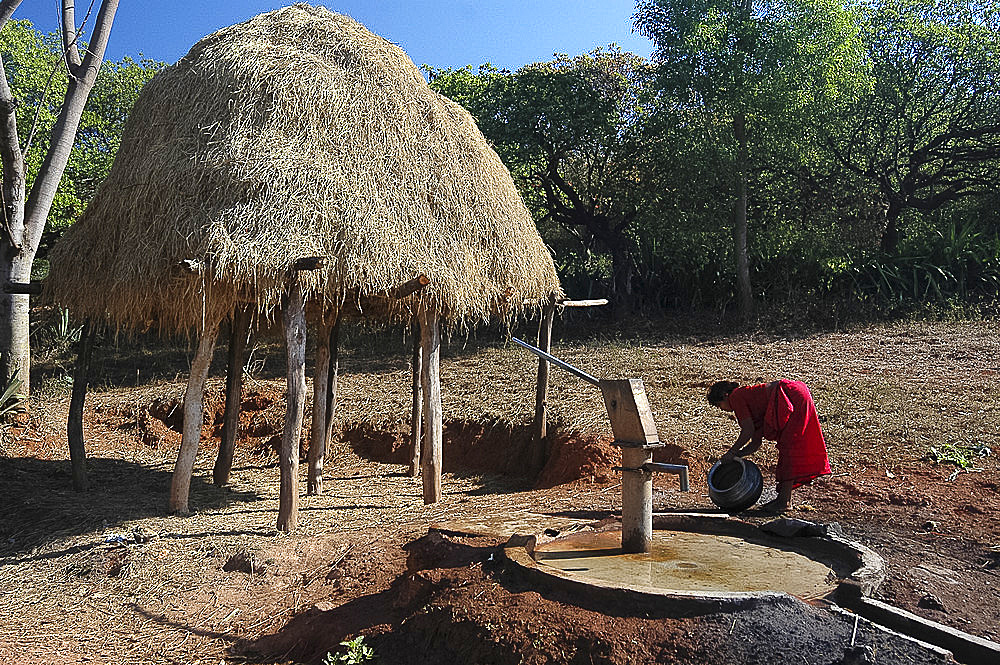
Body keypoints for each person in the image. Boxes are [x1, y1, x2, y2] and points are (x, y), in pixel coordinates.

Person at [707, 379, 831, 513]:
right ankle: (783, 499)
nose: (723, 409)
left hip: (790, 395)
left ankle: (784, 501)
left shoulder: (736, 397)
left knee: (789, 449)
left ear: (725, 395)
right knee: (789, 448)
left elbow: (747, 431)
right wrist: (738, 455)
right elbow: (755, 443)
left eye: (720, 405)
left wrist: (731, 452)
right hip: (797, 391)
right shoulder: (750, 402)